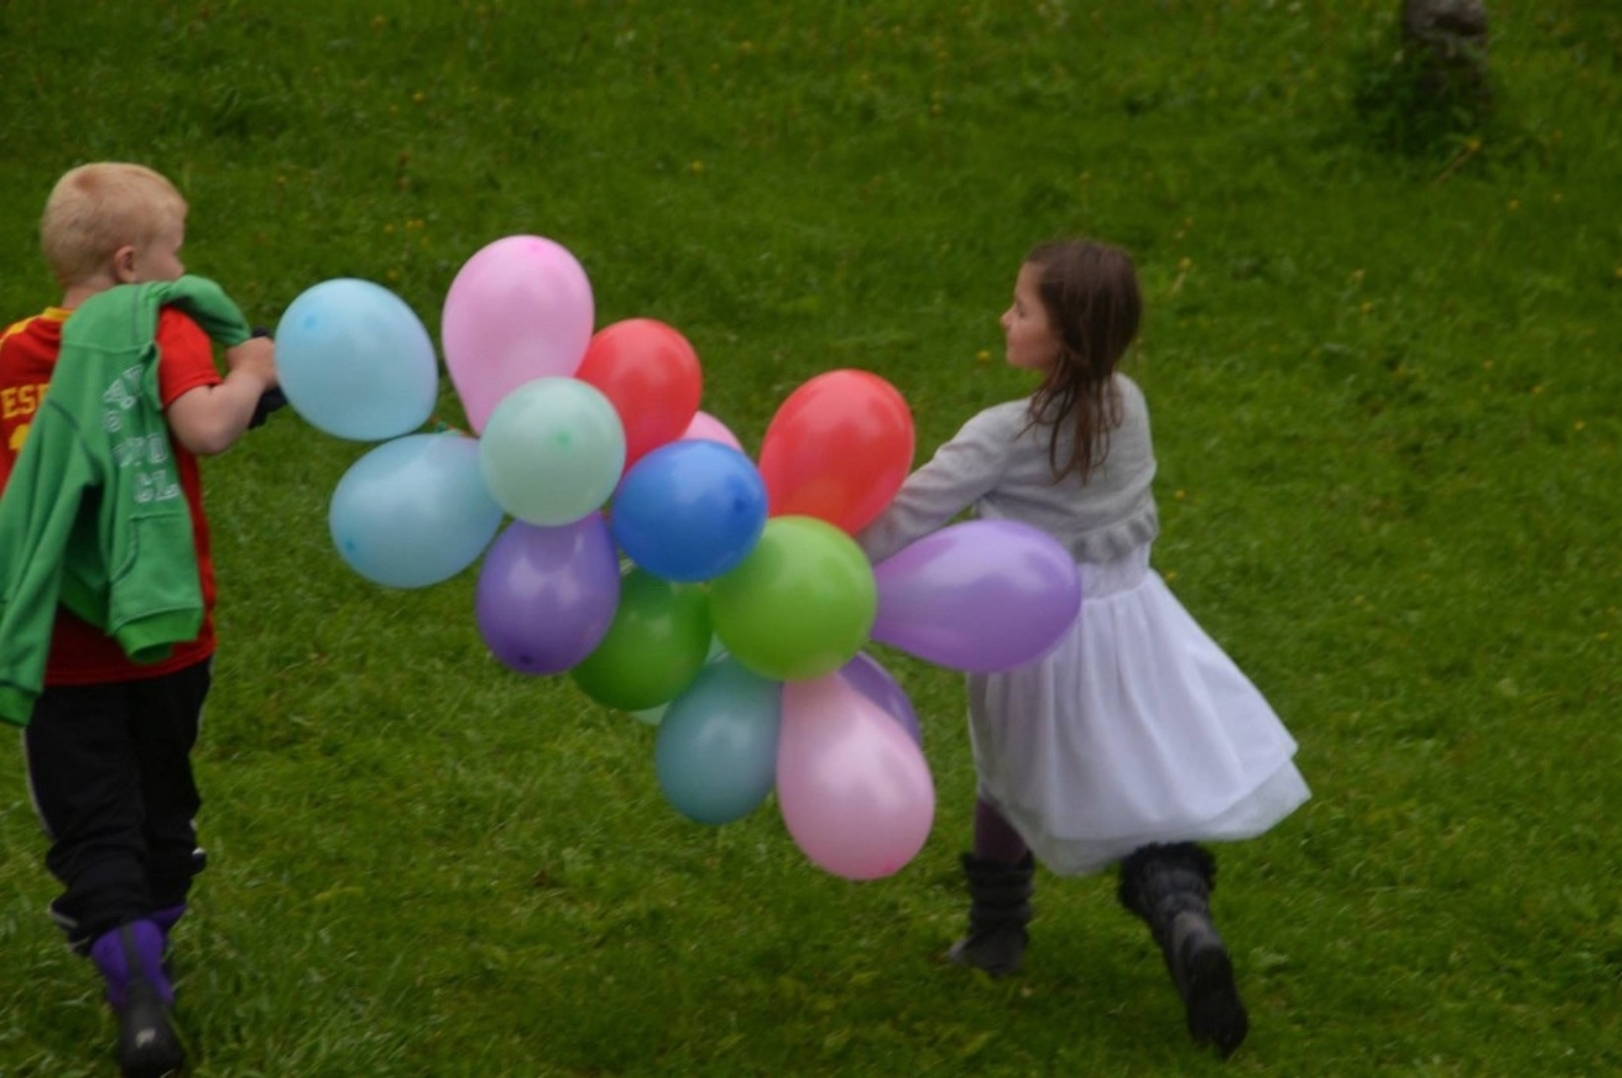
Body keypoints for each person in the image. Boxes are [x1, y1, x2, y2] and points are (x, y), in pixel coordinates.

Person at [856, 239, 1309, 1058]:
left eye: (1022, 308)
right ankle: (1184, 917)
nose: (1006, 315)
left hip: (1035, 637)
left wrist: (827, 555)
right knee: (1136, 786)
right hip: (1134, 623)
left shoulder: (1003, 434)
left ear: (1063, 340)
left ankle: (995, 936)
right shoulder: (1128, 403)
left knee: (1008, 777)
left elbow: (908, 514)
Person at [0, 162, 279, 1077]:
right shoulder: (161, 330)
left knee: (91, 826)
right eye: (175, 248)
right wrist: (252, 371)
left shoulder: (12, 356)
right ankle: (155, 959)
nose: (182, 263)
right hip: (166, 640)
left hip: (61, 658)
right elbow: (205, 428)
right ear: (129, 264)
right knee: (163, 801)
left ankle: (137, 991)